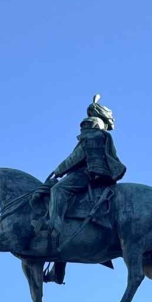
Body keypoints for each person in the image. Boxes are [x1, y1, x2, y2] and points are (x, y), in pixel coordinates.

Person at [45, 94, 126, 248]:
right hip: (97, 173)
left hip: (87, 174)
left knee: (58, 189)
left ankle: (55, 227)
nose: (83, 127)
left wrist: (58, 170)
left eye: (86, 124)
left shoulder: (92, 135)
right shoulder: (101, 135)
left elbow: (76, 157)